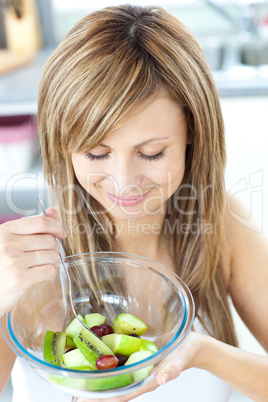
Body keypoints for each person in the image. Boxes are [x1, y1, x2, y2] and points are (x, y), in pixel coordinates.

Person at [0, 4, 267, 402]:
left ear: (192, 130)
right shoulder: (28, 263)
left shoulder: (222, 226)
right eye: (95, 154)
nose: (124, 184)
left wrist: (204, 353)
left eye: (152, 153)